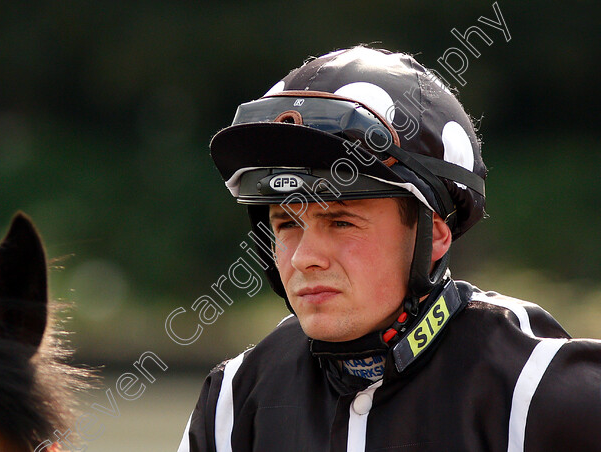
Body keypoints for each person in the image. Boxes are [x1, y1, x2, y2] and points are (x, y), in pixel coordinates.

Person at [176, 46, 601, 452]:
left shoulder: (540, 392)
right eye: (287, 223)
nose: (304, 257)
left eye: (341, 222)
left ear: (433, 235)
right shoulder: (232, 403)